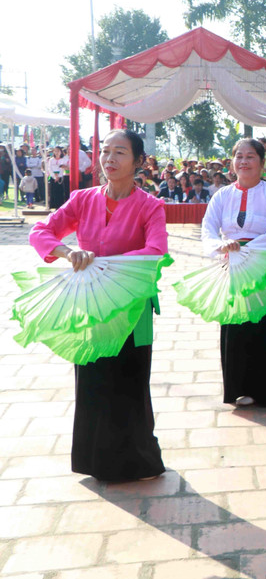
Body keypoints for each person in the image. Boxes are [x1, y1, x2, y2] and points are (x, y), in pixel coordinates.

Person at [28, 129, 167, 481]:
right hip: (90, 303)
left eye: (120, 152)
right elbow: (41, 231)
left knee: (130, 381)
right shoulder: (82, 199)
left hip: (132, 307)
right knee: (91, 379)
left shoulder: (151, 206)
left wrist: (107, 262)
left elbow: (156, 250)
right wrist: (67, 250)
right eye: (104, 151)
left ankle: (137, 462)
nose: (109, 159)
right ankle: (94, 460)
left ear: (138, 162)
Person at [201, 139, 266, 407]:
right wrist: (221, 246)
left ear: (262, 163)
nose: (243, 161)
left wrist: (249, 248)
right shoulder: (222, 195)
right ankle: (238, 387)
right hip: (233, 265)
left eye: (250, 156)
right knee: (237, 326)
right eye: (238, 156)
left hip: (265, 265)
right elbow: (207, 229)